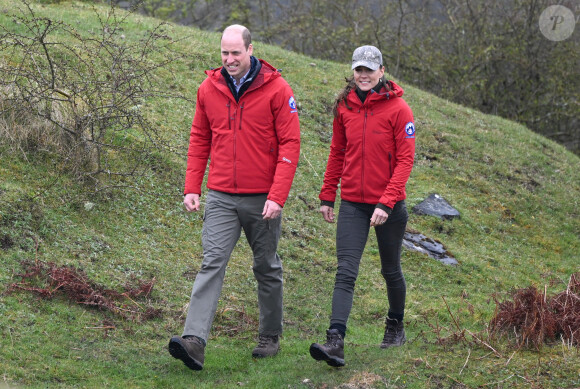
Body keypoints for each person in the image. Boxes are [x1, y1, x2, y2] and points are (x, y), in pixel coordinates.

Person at [168, 24, 301, 371]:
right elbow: (199, 138)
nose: (229, 60)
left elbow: (290, 144)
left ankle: (270, 336)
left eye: (235, 53)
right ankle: (194, 341)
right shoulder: (208, 89)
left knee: (266, 266)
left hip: (263, 199)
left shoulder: (277, 89)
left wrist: (278, 196)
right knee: (212, 262)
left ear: (250, 50)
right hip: (222, 196)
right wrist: (192, 187)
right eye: (224, 53)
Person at [309, 45, 415, 367]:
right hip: (353, 203)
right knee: (345, 271)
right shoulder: (344, 107)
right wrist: (328, 194)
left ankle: (395, 325)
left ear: (382, 71)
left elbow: (405, 161)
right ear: (353, 72)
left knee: (390, 270)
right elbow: (337, 151)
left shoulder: (399, 110)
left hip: (390, 207)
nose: (364, 75)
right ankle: (335, 341)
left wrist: (387, 201)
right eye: (359, 70)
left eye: (370, 69)